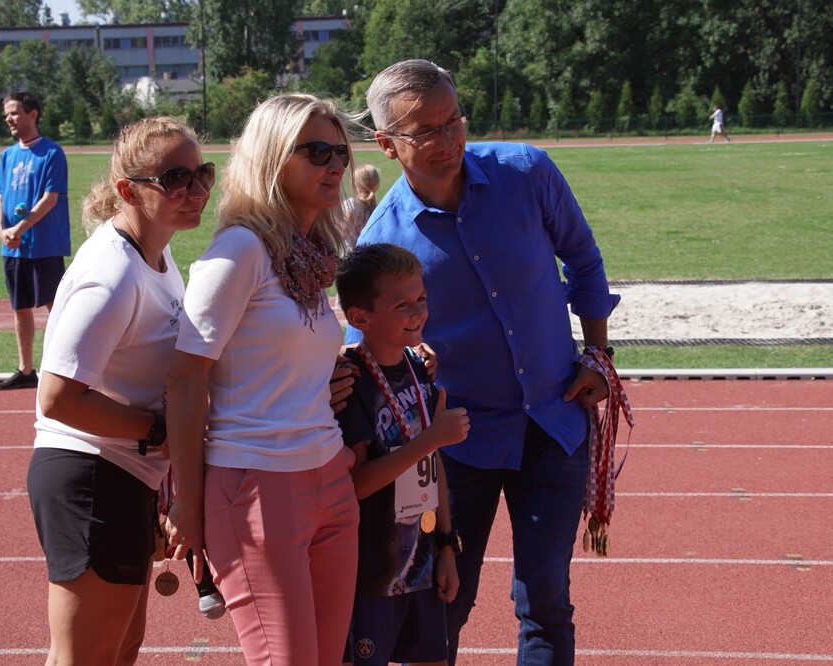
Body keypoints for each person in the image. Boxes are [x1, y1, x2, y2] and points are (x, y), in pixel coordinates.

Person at [349, 59, 620, 665]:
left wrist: (597, 354)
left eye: (454, 121)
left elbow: (584, 258)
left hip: (555, 422)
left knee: (546, 602)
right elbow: (369, 350)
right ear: (387, 145)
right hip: (458, 448)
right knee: (445, 604)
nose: (447, 141)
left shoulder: (527, 171)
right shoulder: (381, 242)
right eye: (425, 131)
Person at [164, 93, 360, 666]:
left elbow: (276, 356)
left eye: (341, 152)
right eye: (317, 151)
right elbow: (184, 377)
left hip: (329, 478)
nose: (336, 166)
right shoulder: (239, 250)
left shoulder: (308, 254)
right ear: (273, 157)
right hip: (256, 487)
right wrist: (187, 501)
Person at [27, 116, 215, 664]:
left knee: (120, 650)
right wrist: (160, 431)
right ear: (128, 190)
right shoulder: (110, 276)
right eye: (175, 178)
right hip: (91, 477)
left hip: (124, 478)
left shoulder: (154, 256)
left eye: (202, 173)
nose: (196, 190)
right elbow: (58, 397)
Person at [334, 243, 470, 666]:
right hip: (370, 574)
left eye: (421, 299)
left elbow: (434, 467)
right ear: (360, 318)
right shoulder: (351, 383)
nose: (417, 313)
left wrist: (447, 544)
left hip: (423, 564)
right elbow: (357, 483)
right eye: (402, 305)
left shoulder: (419, 369)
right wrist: (430, 439)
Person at [0, 91, 71, 390]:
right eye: (7, 114)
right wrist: (2, 230)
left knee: (56, 308)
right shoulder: (7, 155)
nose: (8, 119)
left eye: (14, 112)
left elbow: (49, 199)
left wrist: (21, 228)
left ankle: (61, 370)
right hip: (13, 246)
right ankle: (26, 370)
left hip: (45, 245)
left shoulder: (52, 153)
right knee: (20, 308)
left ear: (32, 114)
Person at [342, 164, 381, 247]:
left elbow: (343, 234)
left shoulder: (351, 205)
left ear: (355, 185)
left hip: (351, 256)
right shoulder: (379, 209)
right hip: (370, 254)